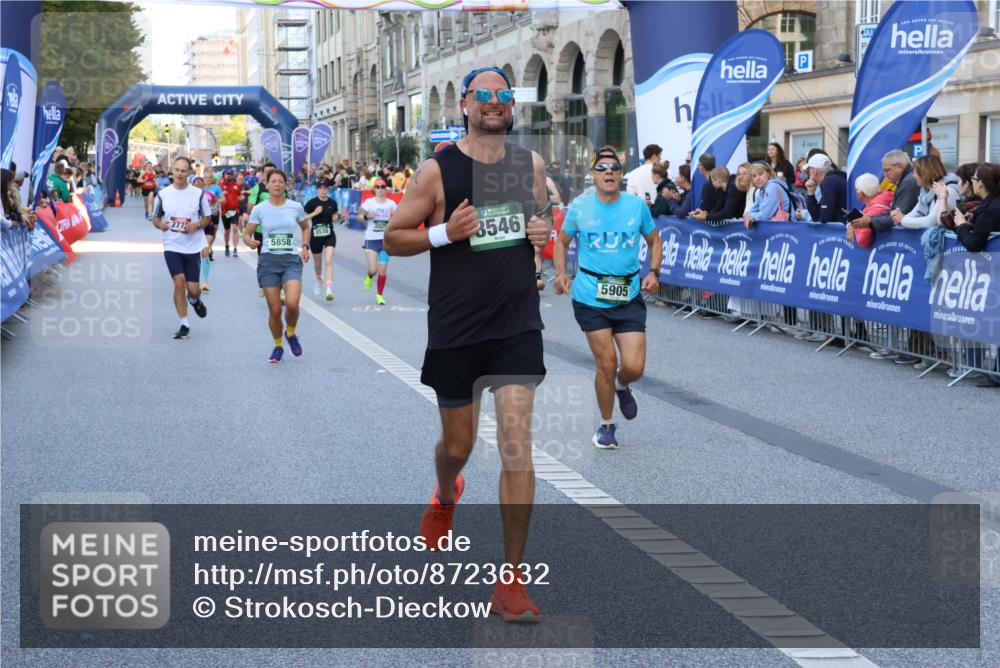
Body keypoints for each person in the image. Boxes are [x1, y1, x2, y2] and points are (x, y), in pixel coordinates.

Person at [383, 65, 552, 623]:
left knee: (515, 445)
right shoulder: (438, 169)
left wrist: (541, 235)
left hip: (516, 326)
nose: (496, 102)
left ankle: (511, 581)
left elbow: (539, 225)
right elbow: (394, 238)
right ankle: (445, 493)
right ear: (465, 104)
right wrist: (444, 233)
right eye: (485, 95)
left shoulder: (529, 165)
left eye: (505, 95)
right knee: (459, 446)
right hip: (456, 330)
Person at [552, 146, 662, 449]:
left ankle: (622, 385)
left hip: (628, 296)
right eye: (602, 168)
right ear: (593, 175)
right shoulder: (580, 207)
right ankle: (606, 425)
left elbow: (654, 240)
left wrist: (654, 272)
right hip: (590, 296)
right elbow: (561, 242)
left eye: (614, 167)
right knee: (606, 362)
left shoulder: (636, 207)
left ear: (620, 175)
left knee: (634, 367)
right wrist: (561, 273)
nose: (608, 172)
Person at [244, 169, 310, 363]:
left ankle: (291, 333)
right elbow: (247, 233)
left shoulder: (295, 207)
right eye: (273, 181)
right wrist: (249, 241)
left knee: (292, 303)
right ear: (267, 184)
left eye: (281, 182)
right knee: (274, 310)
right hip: (268, 261)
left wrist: (305, 246)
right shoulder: (260, 209)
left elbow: (306, 228)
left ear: (285, 184)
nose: (277, 185)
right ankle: (278, 345)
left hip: (290, 260)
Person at [150, 157, 211, 340]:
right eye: (176, 170)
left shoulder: (198, 194)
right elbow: (155, 218)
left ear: (189, 173)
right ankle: (184, 324)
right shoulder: (163, 194)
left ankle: (194, 299)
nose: (179, 174)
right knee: (179, 282)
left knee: (193, 289)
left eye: (183, 171)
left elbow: (207, 217)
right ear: (172, 171)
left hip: (193, 247)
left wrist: (198, 225)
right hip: (172, 244)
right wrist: (159, 224)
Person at [852, 150, 920, 232]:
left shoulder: (908, 182)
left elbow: (897, 218)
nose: (885, 175)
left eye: (887, 170)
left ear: (900, 167)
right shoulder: (906, 180)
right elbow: (893, 215)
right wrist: (870, 219)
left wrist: (870, 220)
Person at [359, 179, 398, 305]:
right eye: (377, 187)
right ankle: (369, 277)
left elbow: (400, 218)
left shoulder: (391, 204)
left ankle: (379, 295)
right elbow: (359, 217)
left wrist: (395, 215)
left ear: (386, 189)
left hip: (386, 241)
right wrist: (367, 216)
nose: (380, 189)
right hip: (371, 239)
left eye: (382, 186)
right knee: (373, 270)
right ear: (374, 189)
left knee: (382, 270)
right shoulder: (369, 203)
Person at [897, 155, 959, 229]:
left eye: (915, 172)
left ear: (924, 173)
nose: (913, 175)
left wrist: (903, 220)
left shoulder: (947, 190)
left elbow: (930, 222)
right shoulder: (925, 192)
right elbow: (914, 214)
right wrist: (900, 218)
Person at [304, 178, 339, 301]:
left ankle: (329, 289)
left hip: (329, 235)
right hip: (316, 236)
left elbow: (335, 214)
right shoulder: (311, 203)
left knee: (328, 261)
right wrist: (314, 213)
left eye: (325, 188)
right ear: (317, 190)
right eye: (320, 188)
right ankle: (319, 279)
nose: (323, 190)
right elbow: (303, 219)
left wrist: (335, 217)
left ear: (328, 190)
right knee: (318, 264)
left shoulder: (332, 202)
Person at [744, 162, 792, 227]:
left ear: (769, 174)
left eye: (760, 174)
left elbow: (765, 215)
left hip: (787, 228)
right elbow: (753, 210)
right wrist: (748, 214)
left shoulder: (772, 187)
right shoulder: (762, 189)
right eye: (754, 176)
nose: (757, 178)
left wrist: (749, 215)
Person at [804, 154, 847, 223]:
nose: (808, 173)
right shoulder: (833, 179)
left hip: (843, 231)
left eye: (808, 169)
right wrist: (811, 193)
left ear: (814, 171)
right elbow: (817, 216)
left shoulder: (830, 181)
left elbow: (823, 219)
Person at [218, 169, 242, 257]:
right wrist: (221, 195)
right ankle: (227, 246)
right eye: (227, 174)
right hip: (225, 211)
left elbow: (239, 196)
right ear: (224, 175)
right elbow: (216, 198)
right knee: (227, 230)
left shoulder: (236, 185)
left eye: (231, 174)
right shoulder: (219, 186)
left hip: (234, 210)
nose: (229, 176)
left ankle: (235, 249)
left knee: (235, 228)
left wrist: (240, 198)